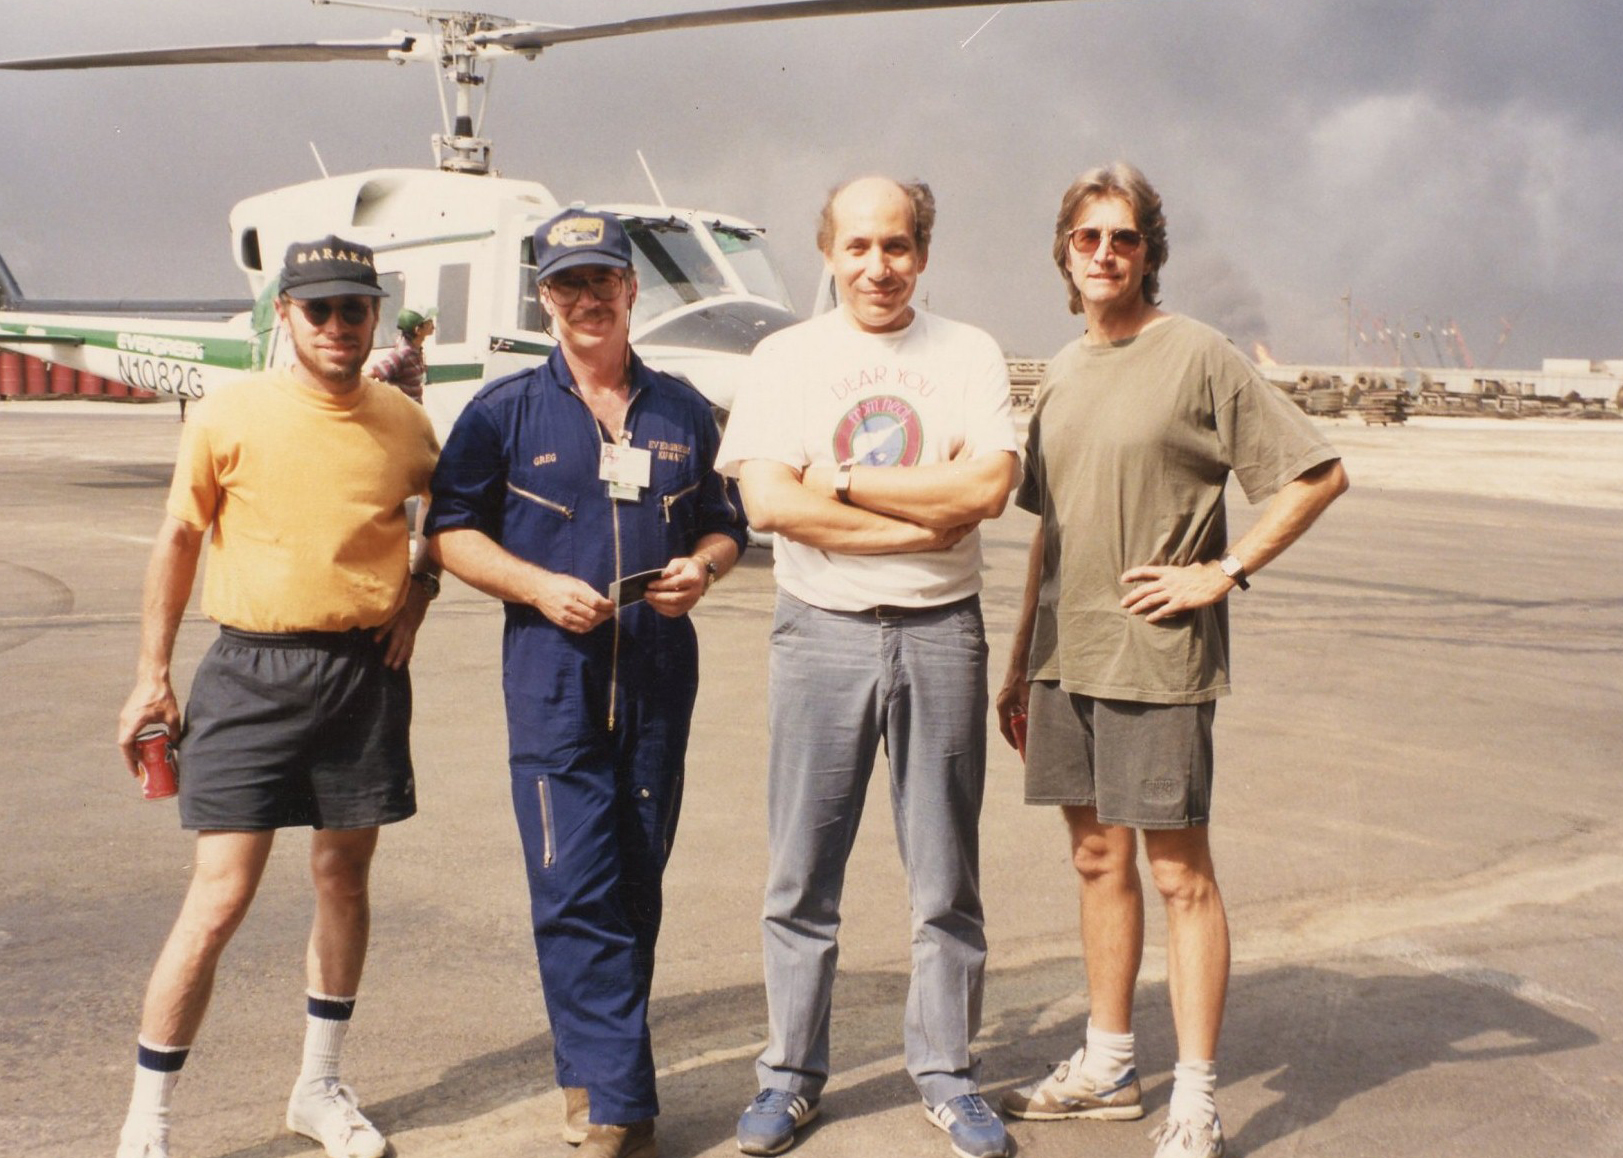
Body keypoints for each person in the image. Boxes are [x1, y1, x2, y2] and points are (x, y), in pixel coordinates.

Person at [995, 163, 1348, 1158]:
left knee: (1179, 871)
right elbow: (1047, 529)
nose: (1106, 253)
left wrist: (1222, 571)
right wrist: (1022, 661)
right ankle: (1110, 1062)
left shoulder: (1198, 353)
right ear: (1064, 253)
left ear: (1149, 251)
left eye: (1125, 238)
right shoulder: (1061, 369)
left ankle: (1194, 1092)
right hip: (1068, 657)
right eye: (1087, 238)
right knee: (1095, 857)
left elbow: (1318, 476)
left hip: (1157, 657)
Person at [424, 208, 746, 1158]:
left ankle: (595, 1072)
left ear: (632, 288)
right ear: (544, 298)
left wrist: (707, 568)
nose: (587, 299)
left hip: (656, 678)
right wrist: (532, 586)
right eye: (567, 285)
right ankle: (614, 1102)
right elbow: (450, 532)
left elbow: (728, 523)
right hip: (553, 680)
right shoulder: (503, 412)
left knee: (635, 883)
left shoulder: (683, 409)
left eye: (603, 280)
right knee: (572, 885)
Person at [112, 236, 442, 1158]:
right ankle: (148, 1121)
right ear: (286, 315)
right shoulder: (228, 414)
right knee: (219, 899)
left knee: (343, 877)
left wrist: (418, 592)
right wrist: (151, 674)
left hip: (363, 678)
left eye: (354, 309)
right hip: (250, 672)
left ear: (374, 314)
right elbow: (179, 540)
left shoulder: (407, 424)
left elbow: (446, 517)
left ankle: (319, 1086)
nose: (338, 326)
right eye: (319, 310)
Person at [716, 176, 1019, 1158]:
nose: (877, 267)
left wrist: (841, 483)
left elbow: (985, 490)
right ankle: (790, 1077)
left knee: (945, 877)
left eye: (896, 246)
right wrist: (918, 523)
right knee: (801, 873)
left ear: (921, 254)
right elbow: (768, 504)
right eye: (857, 247)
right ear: (829, 252)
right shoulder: (785, 357)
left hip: (942, 631)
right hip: (821, 632)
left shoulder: (966, 352)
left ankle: (946, 1072)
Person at [369, 307, 435, 402]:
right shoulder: (402, 354)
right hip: (402, 412)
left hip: (414, 411)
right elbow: (374, 374)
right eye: (429, 322)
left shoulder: (416, 351)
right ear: (418, 330)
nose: (433, 325)